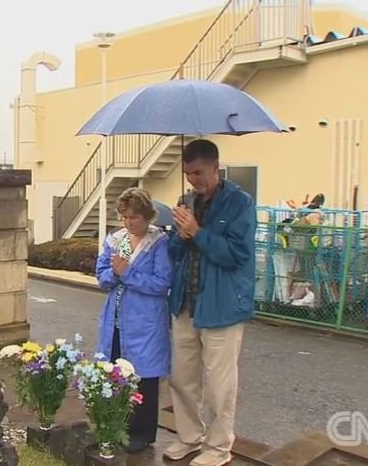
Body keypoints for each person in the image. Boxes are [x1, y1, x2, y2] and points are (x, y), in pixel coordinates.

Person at [165, 139, 256, 466]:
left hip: (222, 307)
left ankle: (218, 448)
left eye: (199, 173)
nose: (194, 180)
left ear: (217, 167)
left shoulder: (239, 203)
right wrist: (179, 233)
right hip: (185, 303)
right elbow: (174, 254)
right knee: (182, 378)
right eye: (189, 174)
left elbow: (238, 255)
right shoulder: (185, 201)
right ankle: (190, 438)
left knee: (219, 387)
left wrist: (198, 232)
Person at [95, 187, 173, 453]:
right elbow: (103, 273)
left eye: (134, 218)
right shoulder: (118, 240)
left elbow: (162, 283)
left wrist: (127, 274)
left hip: (146, 320)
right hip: (116, 318)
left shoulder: (158, 243)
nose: (129, 223)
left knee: (144, 378)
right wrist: (115, 275)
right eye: (125, 217)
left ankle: (142, 432)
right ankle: (116, 425)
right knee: (115, 371)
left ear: (147, 216)